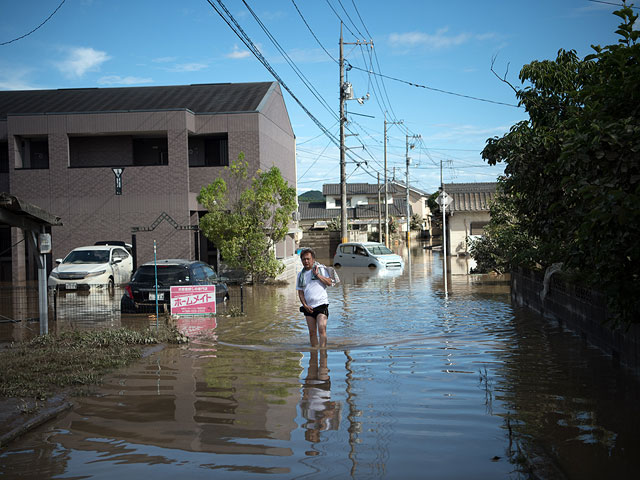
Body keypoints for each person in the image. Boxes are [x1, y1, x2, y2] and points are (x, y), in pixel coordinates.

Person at [296, 248, 333, 347]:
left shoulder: (321, 269)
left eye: (308, 259)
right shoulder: (300, 275)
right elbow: (300, 293)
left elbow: (329, 283)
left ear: (313, 259)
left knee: (322, 328)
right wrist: (305, 305)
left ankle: (323, 351)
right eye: (304, 259)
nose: (306, 261)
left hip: (321, 304)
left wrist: (317, 275)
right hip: (309, 307)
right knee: (312, 332)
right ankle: (314, 353)